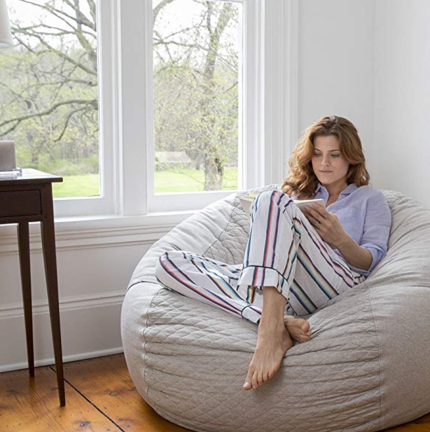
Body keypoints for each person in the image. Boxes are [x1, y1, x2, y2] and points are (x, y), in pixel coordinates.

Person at [155, 115, 392, 391]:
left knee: (272, 198)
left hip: (334, 282)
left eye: (334, 155)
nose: (324, 163)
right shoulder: (297, 193)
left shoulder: (370, 199)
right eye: (317, 154)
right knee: (167, 263)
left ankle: (268, 332)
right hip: (284, 288)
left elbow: (371, 261)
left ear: (351, 157)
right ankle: (277, 320)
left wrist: (340, 240)